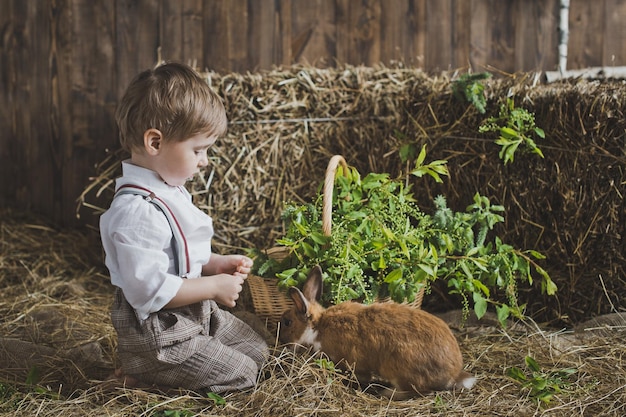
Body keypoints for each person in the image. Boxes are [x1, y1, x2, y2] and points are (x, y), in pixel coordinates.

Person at [99, 62, 268, 393]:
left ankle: (171, 372)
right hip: (160, 334)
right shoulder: (136, 213)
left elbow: (177, 254)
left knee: (259, 352)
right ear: (155, 143)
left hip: (194, 314)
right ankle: (146, 382)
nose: (204, 161)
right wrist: (214, 286)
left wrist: (214, 262)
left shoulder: (166, 189)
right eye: (198, 150)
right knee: (243, 375)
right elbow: (150, 291)